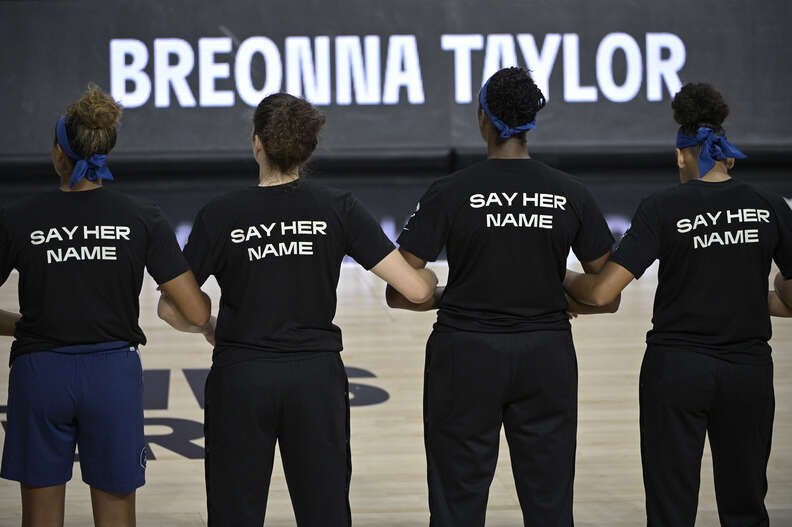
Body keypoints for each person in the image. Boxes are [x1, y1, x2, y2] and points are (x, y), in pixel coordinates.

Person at [157, 92, 438, 527]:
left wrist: (208, 324)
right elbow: (416, 291)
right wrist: (431, 279)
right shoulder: (338, 208)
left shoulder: (220, 214)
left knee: (234, 515)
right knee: (324, 514)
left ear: (256, 144)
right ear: (308, 150)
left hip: (241, 377)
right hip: (314, 380)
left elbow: (172, 310)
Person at [387, 67, 618, 527]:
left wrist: (446, 293)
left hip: (465, 355)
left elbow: (402, 286)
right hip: (546, 355)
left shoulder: (449, 192)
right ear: (531, 121)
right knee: (549, 503)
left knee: (457, 503)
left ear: (482, 119)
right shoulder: (570, 192)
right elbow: (604, 293)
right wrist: (556, 283)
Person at [564, 82, 792, 526]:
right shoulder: (769, 206)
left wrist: (551, 274)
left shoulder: (661, 207)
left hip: (675, 372)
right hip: (747, 372)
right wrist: (747, 290)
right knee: (746, 505)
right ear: (726, 154)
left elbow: (600, 292)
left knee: (671, 508)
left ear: (682, 155)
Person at [0, 85, 209, 527]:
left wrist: (19, 326)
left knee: (39, 518)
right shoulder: (142, 217)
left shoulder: (19, 218)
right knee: (116, 516)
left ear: (59, 151)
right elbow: (195, 312)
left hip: (41, 373)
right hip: (113, 375)